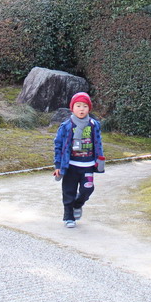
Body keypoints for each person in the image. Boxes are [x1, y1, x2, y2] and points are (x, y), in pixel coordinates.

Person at [53, 92, 104, 228]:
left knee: (88, 188)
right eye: (78, 106)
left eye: (85, 106)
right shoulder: (66, 126)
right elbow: (58, 145)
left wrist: (100, 160)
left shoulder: (94, 125)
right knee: (68, 192)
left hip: (88, 164)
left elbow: (98, 143)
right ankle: (68, 217)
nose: (81, 109)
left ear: (89, 109)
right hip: (70, 165)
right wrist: (58, 165)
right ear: (72, 108)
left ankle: (78, 204)